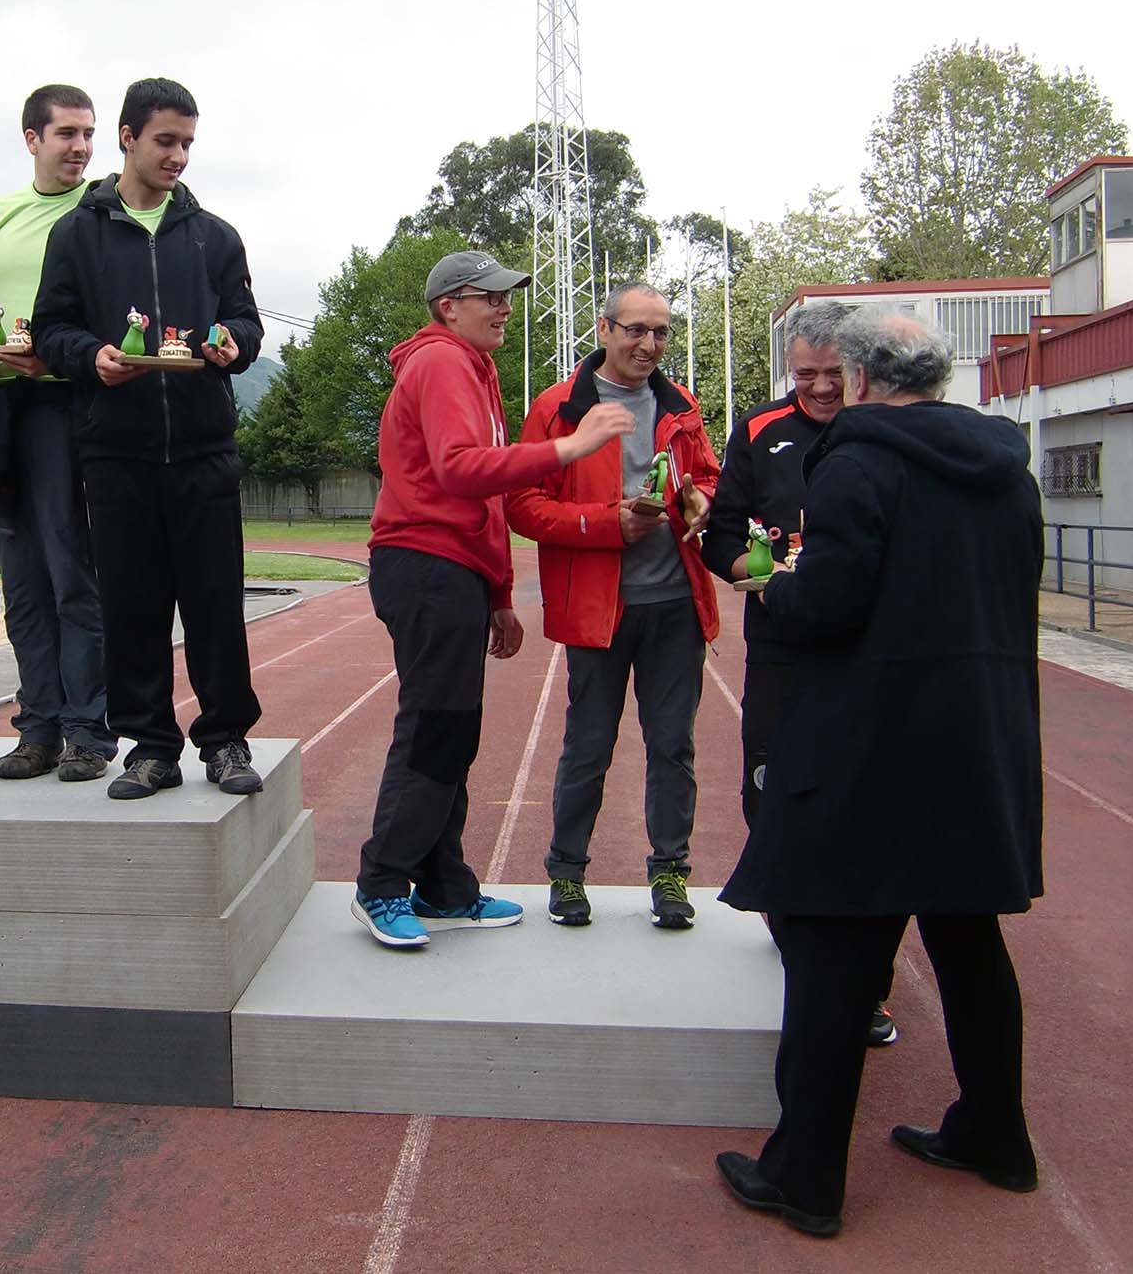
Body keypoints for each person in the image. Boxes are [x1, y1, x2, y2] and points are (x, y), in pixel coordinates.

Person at [714, 309, 1043, 1239]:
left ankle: (805, 1177)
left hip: (873, 746)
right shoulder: (1008, 472)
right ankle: (995, 1134)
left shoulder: (858, 463)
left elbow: (830, 605)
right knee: (968, 938)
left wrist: (776, 582)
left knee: (832, 954)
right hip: (980, 742)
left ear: (860, 378)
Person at [352, 252, 634, 948]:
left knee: (451, 731)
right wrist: (569, 448)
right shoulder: (442, 362)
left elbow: (486, 499)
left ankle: (444, 888)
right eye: (491, 296)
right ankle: (381, 883)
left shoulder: (472, 367)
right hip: (426, 564)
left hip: (451, 569)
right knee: (435, 728)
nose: (506, 308)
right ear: (448, 305)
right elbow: (460, 471)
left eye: (509, 296)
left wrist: (500, 592)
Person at [32, 77, 264, 801]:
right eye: (165, 141)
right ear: (128, 137)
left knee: (215, 606)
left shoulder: (215, 236)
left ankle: (225, 740)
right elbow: (52, 329)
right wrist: (90, 356)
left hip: (203, 452)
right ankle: (151, 747)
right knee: (132, 610)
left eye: (188, 143)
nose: (178, 156)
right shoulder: (77, 233)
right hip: (116, 452)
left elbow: (246, 321)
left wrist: (235, 345)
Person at [703, 299, 899, 1048]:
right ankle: (796, 939)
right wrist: (753, 574)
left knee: (864, 808)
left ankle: (864, 986)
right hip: (783, 648)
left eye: (833, 373)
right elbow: (722, 531)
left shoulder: (886, 430)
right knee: (772, 793)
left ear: (859, 369)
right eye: (805, 374)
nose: (819, 387)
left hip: (869, 656)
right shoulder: (758, 429)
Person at [505, 281, 720, 929]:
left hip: (676, 604)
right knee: (589, 747)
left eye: (661, 332)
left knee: (672, 746)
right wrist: (607, 524)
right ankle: (567, 873)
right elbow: (523, 505)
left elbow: (709, 477)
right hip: (598, 609)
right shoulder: (558, 407)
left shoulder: (681, 404)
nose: (649, 344)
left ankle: (671, 873)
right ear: (604, 330)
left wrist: (703, 501)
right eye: (636, 330)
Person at [0, 85, 114, 784]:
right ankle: (38, 727)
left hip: (67, 407)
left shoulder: (101, 212)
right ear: (32, 139)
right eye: (67, 134)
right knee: (20, 578)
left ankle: (87, 731)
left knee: (71, 575)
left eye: (88, 134)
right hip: (4, 408)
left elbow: (113, 320)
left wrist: (54, 358)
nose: (81, 147)